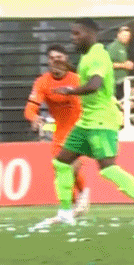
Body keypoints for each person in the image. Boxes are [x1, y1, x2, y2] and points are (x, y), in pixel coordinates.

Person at [40, 18, 134, 226]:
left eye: (77, 34)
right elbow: (89, 76)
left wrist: (71, 91)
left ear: (90, 34)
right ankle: (65, 212)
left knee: (108, 168)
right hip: (86, 121)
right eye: (72, 34)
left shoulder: (98, 55)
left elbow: (94, 84)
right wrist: (69, 67)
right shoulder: (88, 56)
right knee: (61, 162)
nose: (73, 38)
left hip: (101, 121)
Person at [24, 46, 89, 216]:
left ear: (66, 60)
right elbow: (30, 108)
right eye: (52, 58)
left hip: (80, 127)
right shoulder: (42, 82)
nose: (56, 61)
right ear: (48, 61)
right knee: (60, 171)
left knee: (71, 166)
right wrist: (34, 117)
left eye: (59, 57)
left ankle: (83, 194)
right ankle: (74, 204)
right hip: (60, 131)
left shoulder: (76, 79)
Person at [107, 26, 134, 99]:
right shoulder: (113, 47)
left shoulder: (124, 46)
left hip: (123, 81)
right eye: (124, 35)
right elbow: (107, 64)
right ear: (118, 35)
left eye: (128, 36)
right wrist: (124, 65)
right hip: (116, 83)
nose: (126, 37)